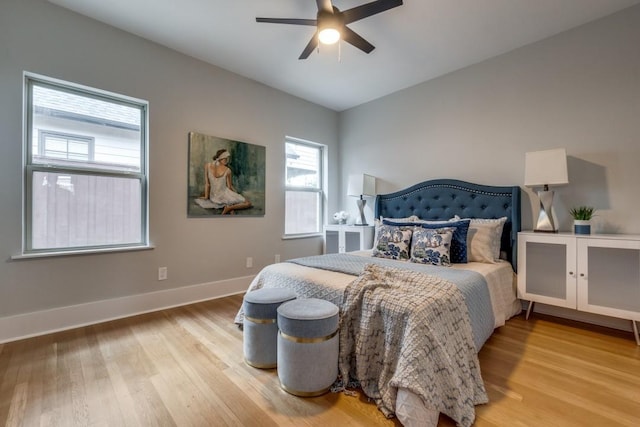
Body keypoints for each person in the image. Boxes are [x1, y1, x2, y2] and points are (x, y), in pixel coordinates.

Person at [197, 149, 251, 214]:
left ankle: (230, 207)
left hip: (214, 196)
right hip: (221, 195)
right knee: (248, 203)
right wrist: (236, 194)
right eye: (225, 159)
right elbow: (229, 186)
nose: (227, 161)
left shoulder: (208, 166)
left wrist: (206, 196)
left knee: (235, 202)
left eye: (227, 158)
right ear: (220, 158)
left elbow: (208, 184)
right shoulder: (227, 170)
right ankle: (229, 208)